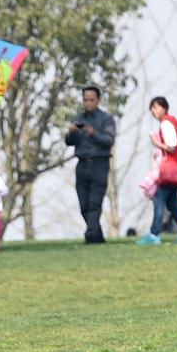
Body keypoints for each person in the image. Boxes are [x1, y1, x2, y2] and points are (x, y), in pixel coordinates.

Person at [65, 86, 116, 244]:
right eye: (85, 100)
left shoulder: (106, 119)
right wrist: (72, 132)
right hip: (82, 165)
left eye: (91, 100)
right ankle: (97, 236)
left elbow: (109, 141)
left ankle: (91, 234)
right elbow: (68, 142)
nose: (88, 103)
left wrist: (92, 133)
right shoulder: (78, 118)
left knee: (95, 203)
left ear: (98, 100)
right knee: (84, 205)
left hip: (99, 164)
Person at [138, 96, 177, 245]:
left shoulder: (166, 123)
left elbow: (171, 146)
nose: (154, 111)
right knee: (172, 203)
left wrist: (157, 143)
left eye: (156, 107)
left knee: (159, 200)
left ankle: (154, 234)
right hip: (175, 169)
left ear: (164, 107)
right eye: (152, 109)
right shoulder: (170, 122)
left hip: (169, 171)